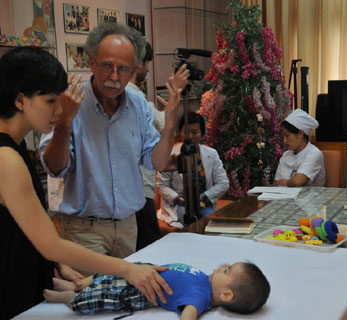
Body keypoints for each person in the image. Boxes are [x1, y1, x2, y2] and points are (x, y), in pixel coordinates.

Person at [0, 47, 174, 320]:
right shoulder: (4, 158)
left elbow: (24, 227)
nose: (59, 110)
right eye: (50, 101)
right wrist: (128, 269)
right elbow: (49, 243)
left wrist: (58, 264)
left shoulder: (2, 142)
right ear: (21, 100)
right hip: (2, 294)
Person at [39, 23, 183, 262]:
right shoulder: (70, 101)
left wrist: (169, 124)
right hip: (84, 230)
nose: (114, 77)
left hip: (128, 226)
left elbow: (156, 162)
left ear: (134, 69)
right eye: (107, 66)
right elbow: (54, 167)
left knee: (127, 297)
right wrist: (65, 122)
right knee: (90, 297)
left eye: (123, 69)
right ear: (92, 62)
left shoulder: (137, 104)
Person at [44, 261, 270, 319]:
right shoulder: (204, 280)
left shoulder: (200, 297)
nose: (222, 266)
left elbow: (189, 313)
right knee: (108, 274)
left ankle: (70, 298)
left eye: (227, 270)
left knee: (103, 296)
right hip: (144, 271)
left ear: (226, 295)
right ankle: (78, 284)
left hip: (140, 291)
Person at [128, 43, 189, 250]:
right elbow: (164, 129)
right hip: (139, 190)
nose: (147, 70)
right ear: (139, 63)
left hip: (138, 187)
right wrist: (175, 97)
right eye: (147, 64)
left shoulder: (133, 95)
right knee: (148, 250)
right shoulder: (133, 95)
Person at [157, 112, 229, 228]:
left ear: (202, 133)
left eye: (194, 132)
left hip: (203, 204)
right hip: (178, 205)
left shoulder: (211, 154)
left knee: (208, 220)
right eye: (185, 132)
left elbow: (223, 183)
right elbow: (162, 185)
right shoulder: (171, 154)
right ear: (180, 132)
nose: (189, 136)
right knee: (191, 221)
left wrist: (201, 198)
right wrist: (179, 200)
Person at [273, 109, 325, 187]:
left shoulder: (314, 153)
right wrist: (283, 182)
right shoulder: (286, 155)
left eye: (287, 135)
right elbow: (275, 183)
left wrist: (283, 182)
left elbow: (297, 182)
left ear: (300, 133)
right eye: (283, 136)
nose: (284, 140)